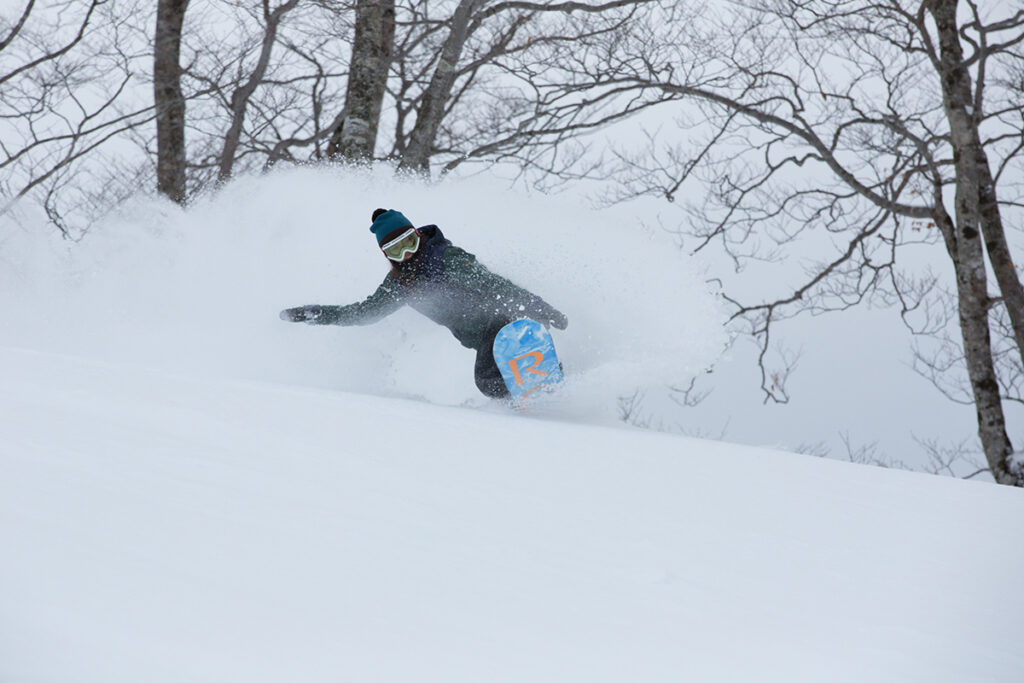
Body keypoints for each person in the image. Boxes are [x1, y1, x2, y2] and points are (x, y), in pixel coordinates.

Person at [280, 209, 568, 399]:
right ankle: (536, 397)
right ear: (386, 254)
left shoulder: (447, 260)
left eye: (409, 242)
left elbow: (496, 285)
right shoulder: (400, 286)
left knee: (487, 379)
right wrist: (315, 313)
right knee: (489, 384)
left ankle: (538, 375)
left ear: (417, 235)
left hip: (502, 322)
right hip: (483, 340)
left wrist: (540, 308)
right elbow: (364, 313)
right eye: (396, 250)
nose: (406, 253)